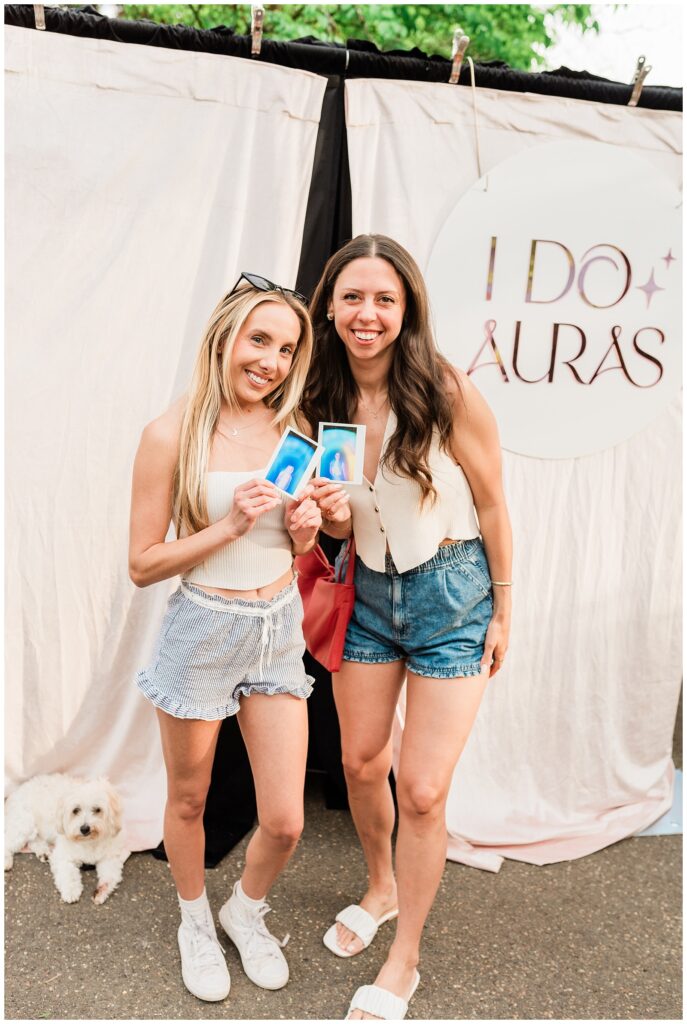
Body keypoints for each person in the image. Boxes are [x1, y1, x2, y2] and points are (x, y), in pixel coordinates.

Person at [302, 235, 512, 1021]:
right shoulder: (315, 397)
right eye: (353, 297)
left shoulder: (446, 389)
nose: (368, 313)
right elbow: (327, 525)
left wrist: (504, 607)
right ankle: (381, 886)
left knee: (422, 791)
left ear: (407, 310)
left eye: (384, 299)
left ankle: (405, 958)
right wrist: (324, 520)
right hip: (365, 594)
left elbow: (491, 503)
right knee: (361, 764)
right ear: (329, 306)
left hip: (450, 595)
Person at [129, 273, 321, 1003]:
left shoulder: (296, 434)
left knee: (285, 818)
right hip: (203, 629)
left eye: (286, 349)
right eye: (259, 340)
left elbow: (298, 546)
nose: (271, 361)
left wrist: (304, 533)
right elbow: (143, 564)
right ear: (224, 337)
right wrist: (229, 525)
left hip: (277, 630)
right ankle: (195, 923)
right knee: (190, 800)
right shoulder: (169, 434)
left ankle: (244, 910)